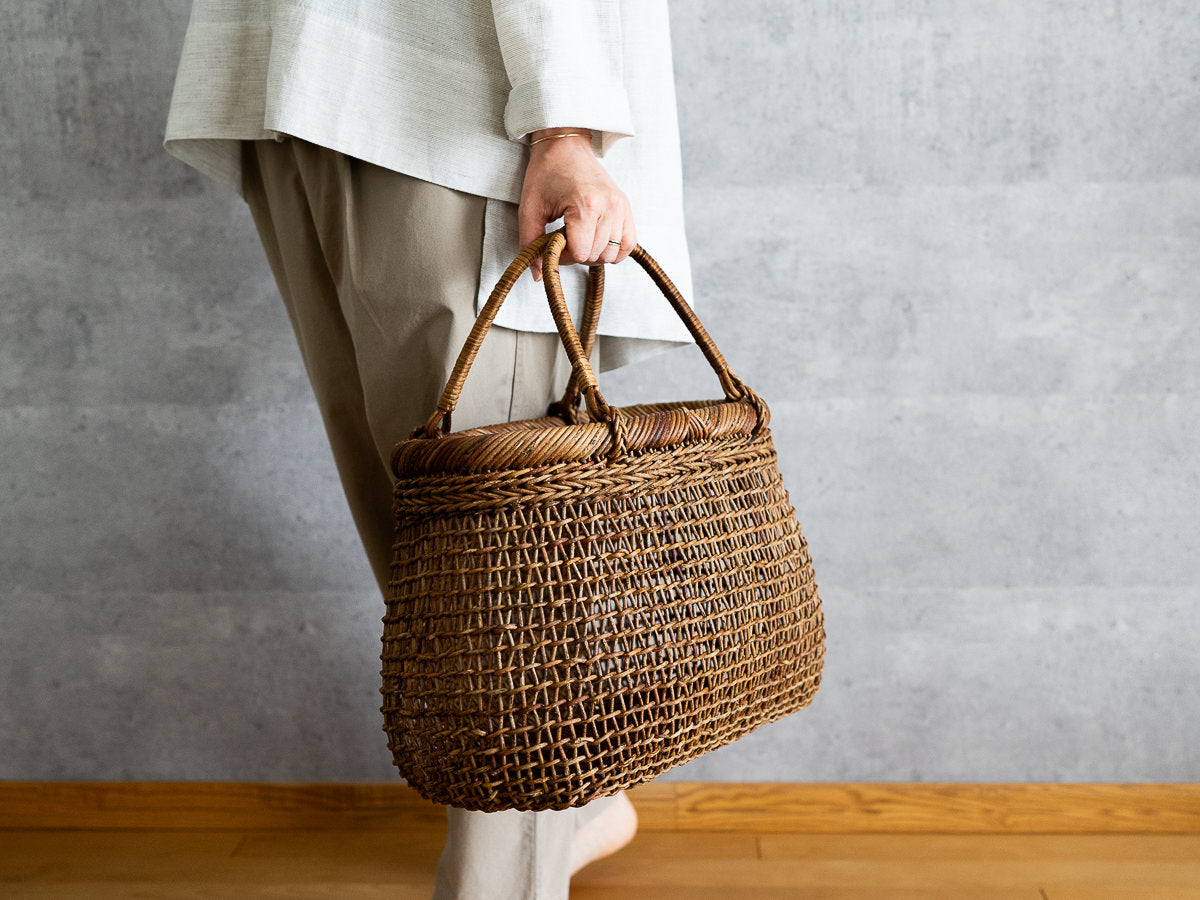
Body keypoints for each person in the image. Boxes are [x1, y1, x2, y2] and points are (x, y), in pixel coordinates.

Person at [165, 2, 693, 897]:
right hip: (305, 77)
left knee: (498, 572)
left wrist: (564, 118)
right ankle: (577, 806)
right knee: (435, 557)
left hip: (452, 96)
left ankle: (509, 871)